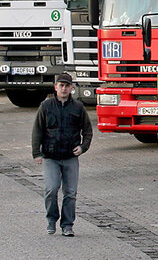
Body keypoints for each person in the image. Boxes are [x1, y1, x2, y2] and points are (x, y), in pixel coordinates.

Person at [31, 73, 93, 237]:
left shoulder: (78, 108)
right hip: (50, 156)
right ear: (55, 87)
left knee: (70, 193)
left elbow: (87, 131)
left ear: (72, 88)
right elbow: (37, 130)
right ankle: (51, 220)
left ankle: (67, 225)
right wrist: (36, 153)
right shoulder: (46, 106)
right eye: (61, 85)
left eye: (67, 86)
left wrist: (83, 147)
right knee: (51, 189)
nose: (64, 88)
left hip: (70, 157)